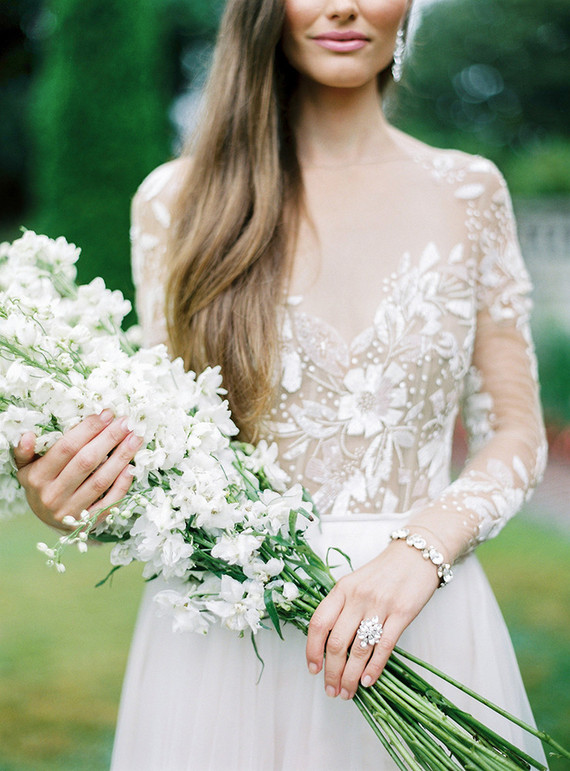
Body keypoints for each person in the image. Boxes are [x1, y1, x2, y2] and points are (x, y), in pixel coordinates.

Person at [15, 0, 549, 768]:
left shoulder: (469, 192)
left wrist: (421, 550)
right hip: (229, 646)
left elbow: (516, 432)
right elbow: (170, 459)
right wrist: (74, 499)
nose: (344, 5)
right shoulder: (176, 202)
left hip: (423, 614)